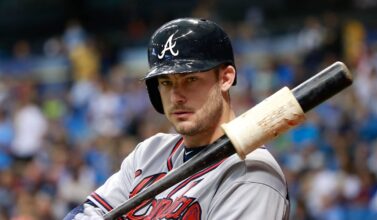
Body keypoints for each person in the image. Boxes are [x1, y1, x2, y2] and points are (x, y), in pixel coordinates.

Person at [65, 17, 289, 220]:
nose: (176, 96)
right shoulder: (149, 153)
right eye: (166, 82)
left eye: (190, 79)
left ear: (225, 78)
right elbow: (82, 215)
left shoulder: (252, 174)